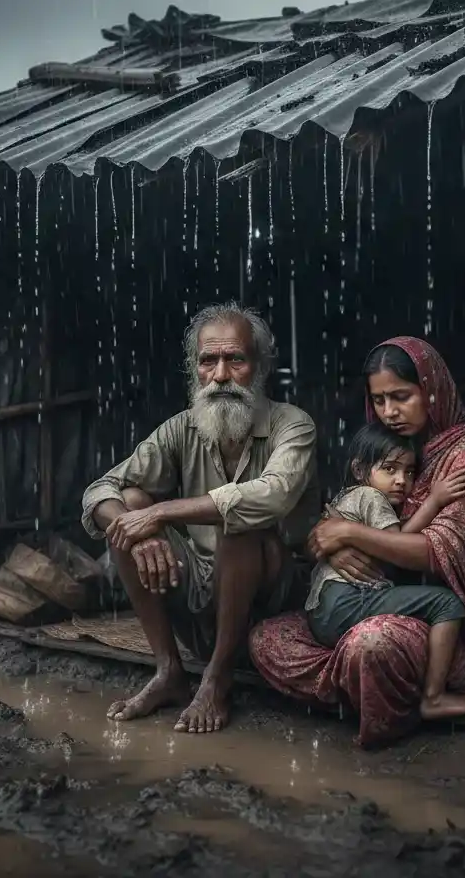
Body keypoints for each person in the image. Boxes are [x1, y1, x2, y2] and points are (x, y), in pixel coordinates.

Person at [249, 337, 465, 747]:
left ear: (432, 389)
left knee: (372, 643)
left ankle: (387, 691)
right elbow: (325, 532)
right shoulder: (390, 449)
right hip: (376, 600)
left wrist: (349, 534)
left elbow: (434, 553)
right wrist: (333, 545)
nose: (389, 412)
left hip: (454, 628)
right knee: (267, 638)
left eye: (401, 397)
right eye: (379, 400)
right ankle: (369, 683)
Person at [81, 302, 321, 735]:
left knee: (237, 520)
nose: (221, 375)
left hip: (273, 601)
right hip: (202, 598)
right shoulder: (182, 428)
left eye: (235, 360)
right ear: (195, 369)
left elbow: (273, 494)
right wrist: (140, 533)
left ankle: (217, 679)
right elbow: (101, 490)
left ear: (260, 367)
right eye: (209, 361)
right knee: (128, 502)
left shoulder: (293, 425)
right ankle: (168, 670)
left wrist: (159, 512)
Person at [305, 422, 465, 720]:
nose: (402, 480)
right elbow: (398, 544)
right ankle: (434, 697)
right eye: (390, 469)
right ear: (360, 470)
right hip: (345, 602)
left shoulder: (345, 497)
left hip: (320, 612)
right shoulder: (372, 497)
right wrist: (435, 501)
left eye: (410, 472)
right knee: (447, 603)